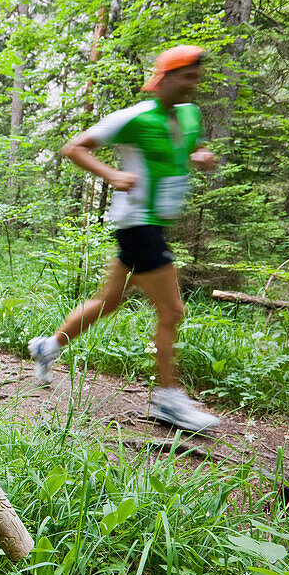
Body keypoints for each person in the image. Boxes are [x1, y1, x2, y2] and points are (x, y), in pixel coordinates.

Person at [28, 45, 221, 432]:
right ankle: (168, 400)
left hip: (152, 224)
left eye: (196, 78)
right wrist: (113, 176)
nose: (192, 85)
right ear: (164, 78)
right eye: (186, 77)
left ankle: (47, 347)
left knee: (107, 301)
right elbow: (75, 148)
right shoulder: (133, 118)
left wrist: (199, 156)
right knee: (172, 312)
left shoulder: (189, 116)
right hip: (138, 224)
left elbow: (188, 148)